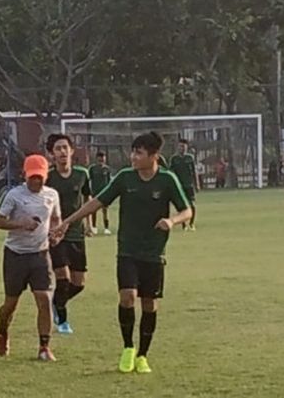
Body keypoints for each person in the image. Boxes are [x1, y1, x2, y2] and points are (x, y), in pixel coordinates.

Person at [51, 132, 192, 374]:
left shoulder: (167, 180)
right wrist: (67, 222)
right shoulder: (125, 178)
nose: (133, 157)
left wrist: (172, 220)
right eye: (133, 152)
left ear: (153, 156)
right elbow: (97, 201)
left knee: (149, 304)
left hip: (154, 253)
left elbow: (187, 210)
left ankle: (143, 355)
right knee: (127, 297)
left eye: (139, 153)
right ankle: (128, 347)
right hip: (127, 251)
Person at [0, 154, 62, 361]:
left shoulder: (52, 195)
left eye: (40, 177)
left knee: (44, 298)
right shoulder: (14, 195)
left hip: (40, 254)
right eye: (32, 177)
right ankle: (3, 330)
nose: (36, 181)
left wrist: (57, 234)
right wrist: (21, 223)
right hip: (16, 255)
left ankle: (44, 346)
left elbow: (57, 219)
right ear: (24, 175)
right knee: (10, 304)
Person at [45, 134, 91, 334]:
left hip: (77, 234)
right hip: (56, 235)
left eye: (65, 147)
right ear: (51, 154)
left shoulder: (82, 174)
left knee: (78, 283)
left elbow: (88, 199)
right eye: (58, 148)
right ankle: (63, 321)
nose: (62, 152)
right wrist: (49, 230)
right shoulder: (48, 176)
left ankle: (55, 302)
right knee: (62, 277)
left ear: (72, 151)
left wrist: (89, 224)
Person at [169, 139, 199, 231]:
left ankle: (192, 223)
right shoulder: (174, 159)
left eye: (184, 146)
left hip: (189, 185)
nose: (182, 148)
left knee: (192, 204)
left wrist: (197, 183)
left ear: (186, 147)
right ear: (178, 147)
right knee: (182, 206)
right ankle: (184, 225)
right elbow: (171, 172)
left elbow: (194, 171)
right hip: (179, 186)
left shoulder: (190, 158)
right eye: (180, 146)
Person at [88, 151, 112, 235]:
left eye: (103, 157)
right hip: (95, 193)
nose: (101, 159)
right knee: (94, 210)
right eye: (100, 157)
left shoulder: (107, 169)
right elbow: (89, 180)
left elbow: (109, 182)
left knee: (105, 211)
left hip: (105, 193)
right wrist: (90, 192)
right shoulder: (92, 169)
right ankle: (94, 227)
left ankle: (106, 228)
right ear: (97, 158)